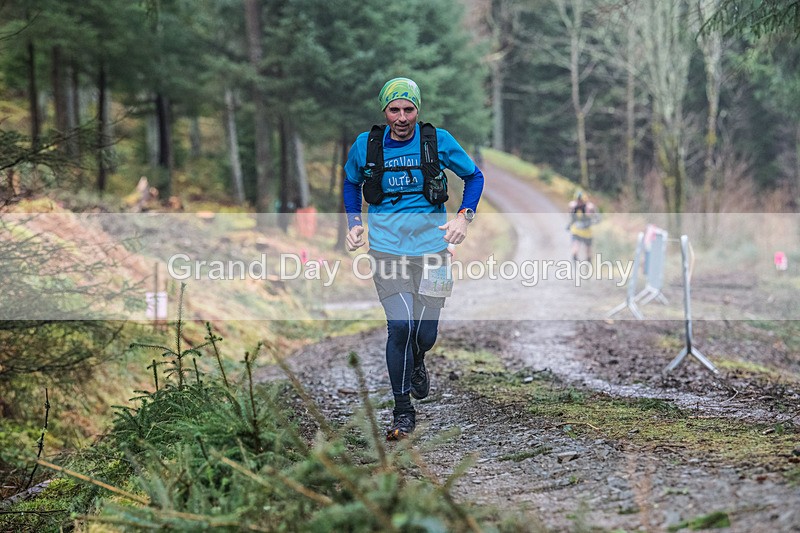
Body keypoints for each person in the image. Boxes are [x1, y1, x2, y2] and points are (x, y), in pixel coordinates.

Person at [343, 77, 485, 440]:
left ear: (417, 110)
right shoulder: (367, 145)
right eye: (395, 110)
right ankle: (402, 411)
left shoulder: (437, 141)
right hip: (387, 250)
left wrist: (463, 217)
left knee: (425, 333)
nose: (402, 117)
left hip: (433, 251)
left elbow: (474, 176)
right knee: (401, 326)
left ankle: (418, 360)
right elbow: (350, 183)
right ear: (384, 111)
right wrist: (355, 222)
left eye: (409, 109)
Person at [567, 190, 598, 264]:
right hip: (582, 231)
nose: (579, 202)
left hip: (582, 231)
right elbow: (595, 217)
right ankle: (583, 262)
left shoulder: (577, 205)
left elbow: (596, 217)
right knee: (580, 247)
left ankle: (586, 262)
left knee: (584, 248)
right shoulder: (586, 206)